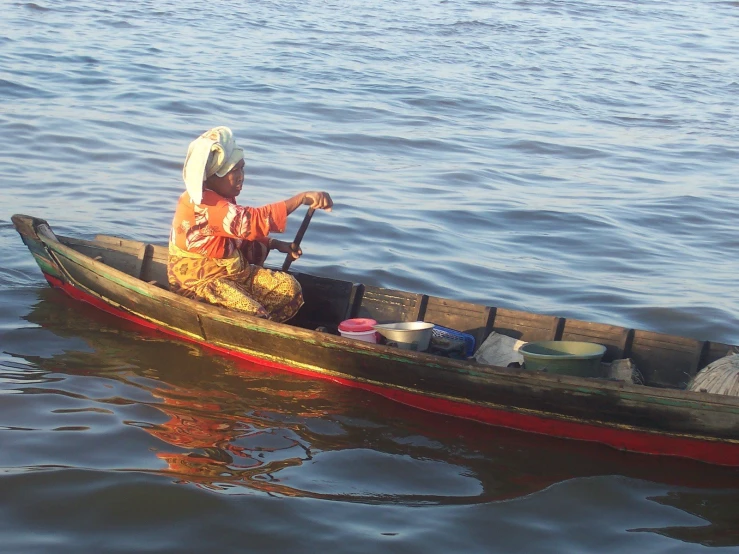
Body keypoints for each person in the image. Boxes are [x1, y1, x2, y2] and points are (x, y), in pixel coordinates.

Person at [167, 126, 333, 322]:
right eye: (234, 170)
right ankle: (262, 325)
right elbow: (250, 221)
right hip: (201, 285)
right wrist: (301, 198)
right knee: (253, 315)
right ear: (212, 176)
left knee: (289, 289)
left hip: (234, 275)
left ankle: (268, 323)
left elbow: (237, 233)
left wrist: (275, 244)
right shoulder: (205, 204)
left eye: (242, 168)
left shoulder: (223, 198)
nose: (241, 176)